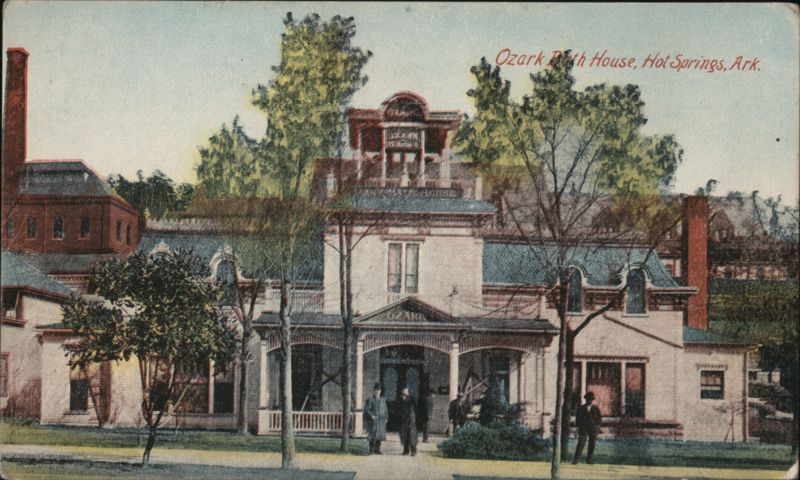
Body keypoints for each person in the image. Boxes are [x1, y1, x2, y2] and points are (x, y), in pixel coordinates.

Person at [573, 391, 602, 465]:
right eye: (588, 399)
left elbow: (599, 419)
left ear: (592, 400)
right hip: (583, 428)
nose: (589, 401)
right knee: (581, 443)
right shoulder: (581, 408)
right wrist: (577, 427)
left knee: (592, 444)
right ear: (586, 399)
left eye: (591, 399)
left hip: (592, 428)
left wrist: (596, 426)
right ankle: (576, 460)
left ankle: (589, 459)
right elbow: (578, 418)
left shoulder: (596, 408)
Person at [363, 382, 388, 455]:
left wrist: (386, 417)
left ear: (380, 391)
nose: (377, 392)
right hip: (374, 421)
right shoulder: (370, 399)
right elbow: (366, 409)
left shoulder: (383, 400)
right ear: (374, 391)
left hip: (381, 421)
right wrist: (371, 416)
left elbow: (385, 409)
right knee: (373, 435)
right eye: (376, 390)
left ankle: (377, 450)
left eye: (378, 390)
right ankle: (371, 450)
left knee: (380, 435)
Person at [398, 387, 418, 456]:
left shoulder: (411, 398)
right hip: (404, 419)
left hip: (411, 419)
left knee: (411, 435)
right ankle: (406, 451)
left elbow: (414, 406)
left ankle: (413, 451)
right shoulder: (400, 398)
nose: (404, 392)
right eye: (403, 391)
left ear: (407, 391)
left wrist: (414, 417)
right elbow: (399, 407)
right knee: (404, 435)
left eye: (405, 391)